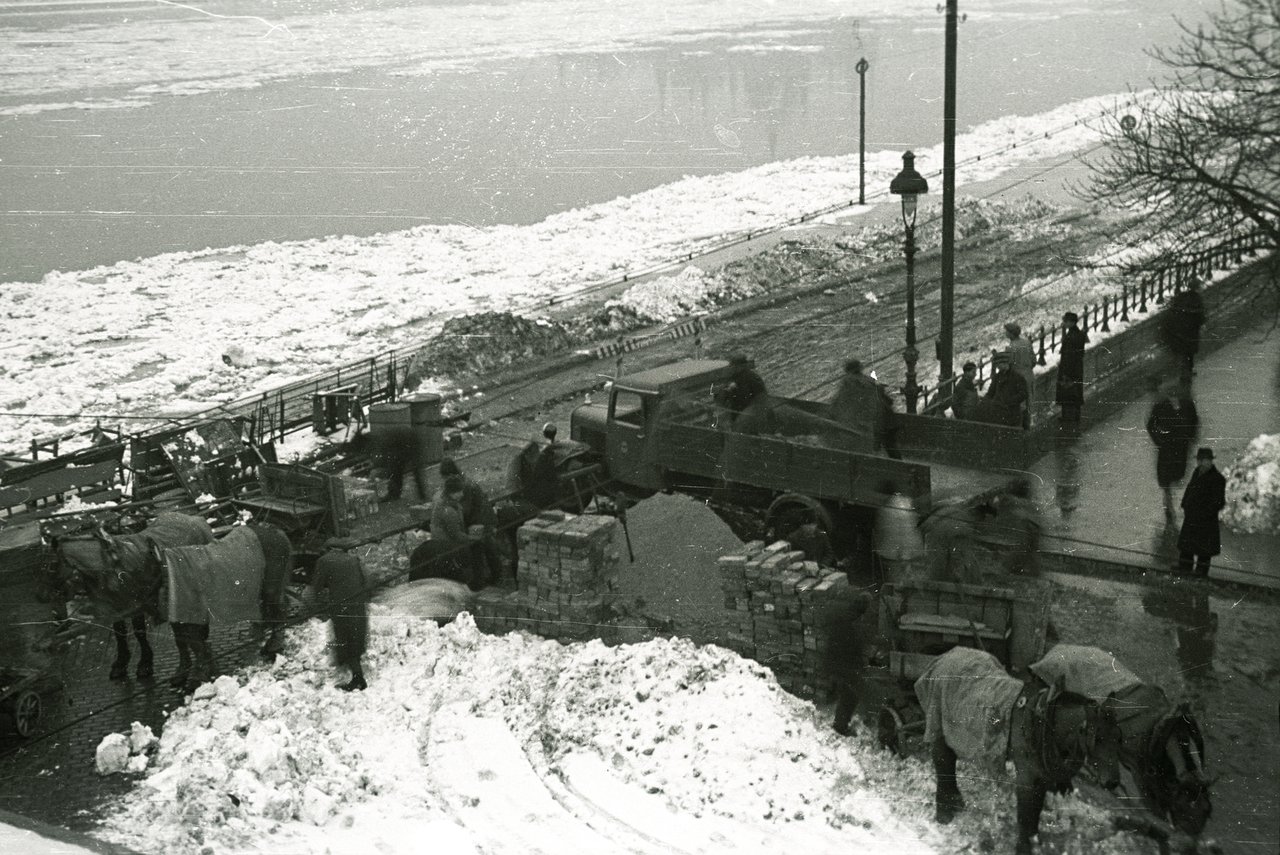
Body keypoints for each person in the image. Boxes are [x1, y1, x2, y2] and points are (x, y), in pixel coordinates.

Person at [307, 540, 369, 691]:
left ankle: (358, 679)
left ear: (327, 549)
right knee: (355, 638)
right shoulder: (354, 559)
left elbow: (316, 587)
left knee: (345, 639)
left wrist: (310, 609)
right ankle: (357, 675)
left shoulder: (324, 560)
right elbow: (365, 581)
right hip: (358, 604)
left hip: (342, 606)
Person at [438, 456, 502, 587]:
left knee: (481, 547)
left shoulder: (463, 486)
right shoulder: (463, 481)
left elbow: (465, 508)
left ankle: (486, 579)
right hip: (482, 517)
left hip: (480, 520)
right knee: (486, 547)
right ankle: (492, 577)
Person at [1146, 378, 1199, 521]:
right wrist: (1159, 440)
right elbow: (1151, 425)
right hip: (1167, 447)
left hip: (1180, 447)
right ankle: (1168, 499)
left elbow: (1194, 419)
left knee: (1178, 473)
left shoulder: (1187, 404)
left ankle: (1169, 494)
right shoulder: (1161, 406)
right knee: (1165, 476)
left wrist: (1191, 436)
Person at [347, 424, 427, 504]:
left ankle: (422, 496)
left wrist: (373, 470)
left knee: (410, 469)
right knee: (396, 469)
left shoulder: (376, 442)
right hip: (399, 443)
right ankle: (395, 494)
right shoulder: (372, 439)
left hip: (409, 441)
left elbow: (382, 462)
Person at [1177, 447, 1226, 578]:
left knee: (1204, 552)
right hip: (1191, 518)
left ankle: (1201, 573)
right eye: (1200, 460)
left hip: (1206, 522)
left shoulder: (1218, 479)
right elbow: (1189, 490)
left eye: (1205, 460)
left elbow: (1219, 502)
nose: (1201, 463)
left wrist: (1204, 514)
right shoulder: (1196, 472)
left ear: (1210, 461)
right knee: (1186, 547)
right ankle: (1184, 568)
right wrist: (1185, 504)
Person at [427, 475, 483, 587]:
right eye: (459, 492)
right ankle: (474, 583)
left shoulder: (449, 503)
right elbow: (456, 535)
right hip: (445, 545)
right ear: (452, 493)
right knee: (477, 548)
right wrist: (475, 538)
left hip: (447, 542)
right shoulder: (448, 510)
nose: (462, 495)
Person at [873, 480, 928, 589]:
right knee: (915, 583)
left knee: (897, 587)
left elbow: (895, 535)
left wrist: (903, 556)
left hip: (896, 556)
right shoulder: (908, 502)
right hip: (915, 552)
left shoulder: (886, 510)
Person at [826, 359, 880, 453]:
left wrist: (830, 412)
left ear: (847, 370)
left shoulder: (848, 382)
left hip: (850, 427)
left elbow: (838, 402)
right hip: (867, 426)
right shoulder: (870, 383)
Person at [1159, 278, 1206, 379]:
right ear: (1197, 287)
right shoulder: (1197, 298)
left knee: (1183, 348)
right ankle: (1188, 369)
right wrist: (1202, 324)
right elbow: (1199, 314)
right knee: (1190, 350)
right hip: (1192, 329)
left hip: (1180, 327)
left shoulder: (1182, 296)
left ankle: (1184, 368)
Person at [1055, 312, 1089, 429]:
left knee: (1067, 391)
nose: (1064, 323)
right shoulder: (1079, 334)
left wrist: (1065, 372)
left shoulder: (1070, 337)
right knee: (1075, 391)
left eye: (1066, 321)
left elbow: (1068, 355)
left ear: (1071, 322)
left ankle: (1067, 416)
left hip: (1068, 368)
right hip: (1077, 367)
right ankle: (1075, 415)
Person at [976, 352, 1027, 428]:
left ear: (1005, 363)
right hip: (998, 412)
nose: (997, 367)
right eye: (996, 364)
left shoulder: (1017, 377)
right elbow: (991, 393)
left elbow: (1023, 394)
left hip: (1012, 413)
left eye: (998, 364)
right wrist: (983, 402)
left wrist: (1009, 401)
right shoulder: (997, 377)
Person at [1004, 322, 1037, 429]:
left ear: (1011, 334)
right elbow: (1033, 360)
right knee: (1030, 399)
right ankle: (1031, 421)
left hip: (1018, 377)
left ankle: (1022, 424)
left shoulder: (1010, 347)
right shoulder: (1027, 343)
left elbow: (1009, 364)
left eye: (1007, 331)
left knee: (1020, 401)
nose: (1005, 333)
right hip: (1028, 375)